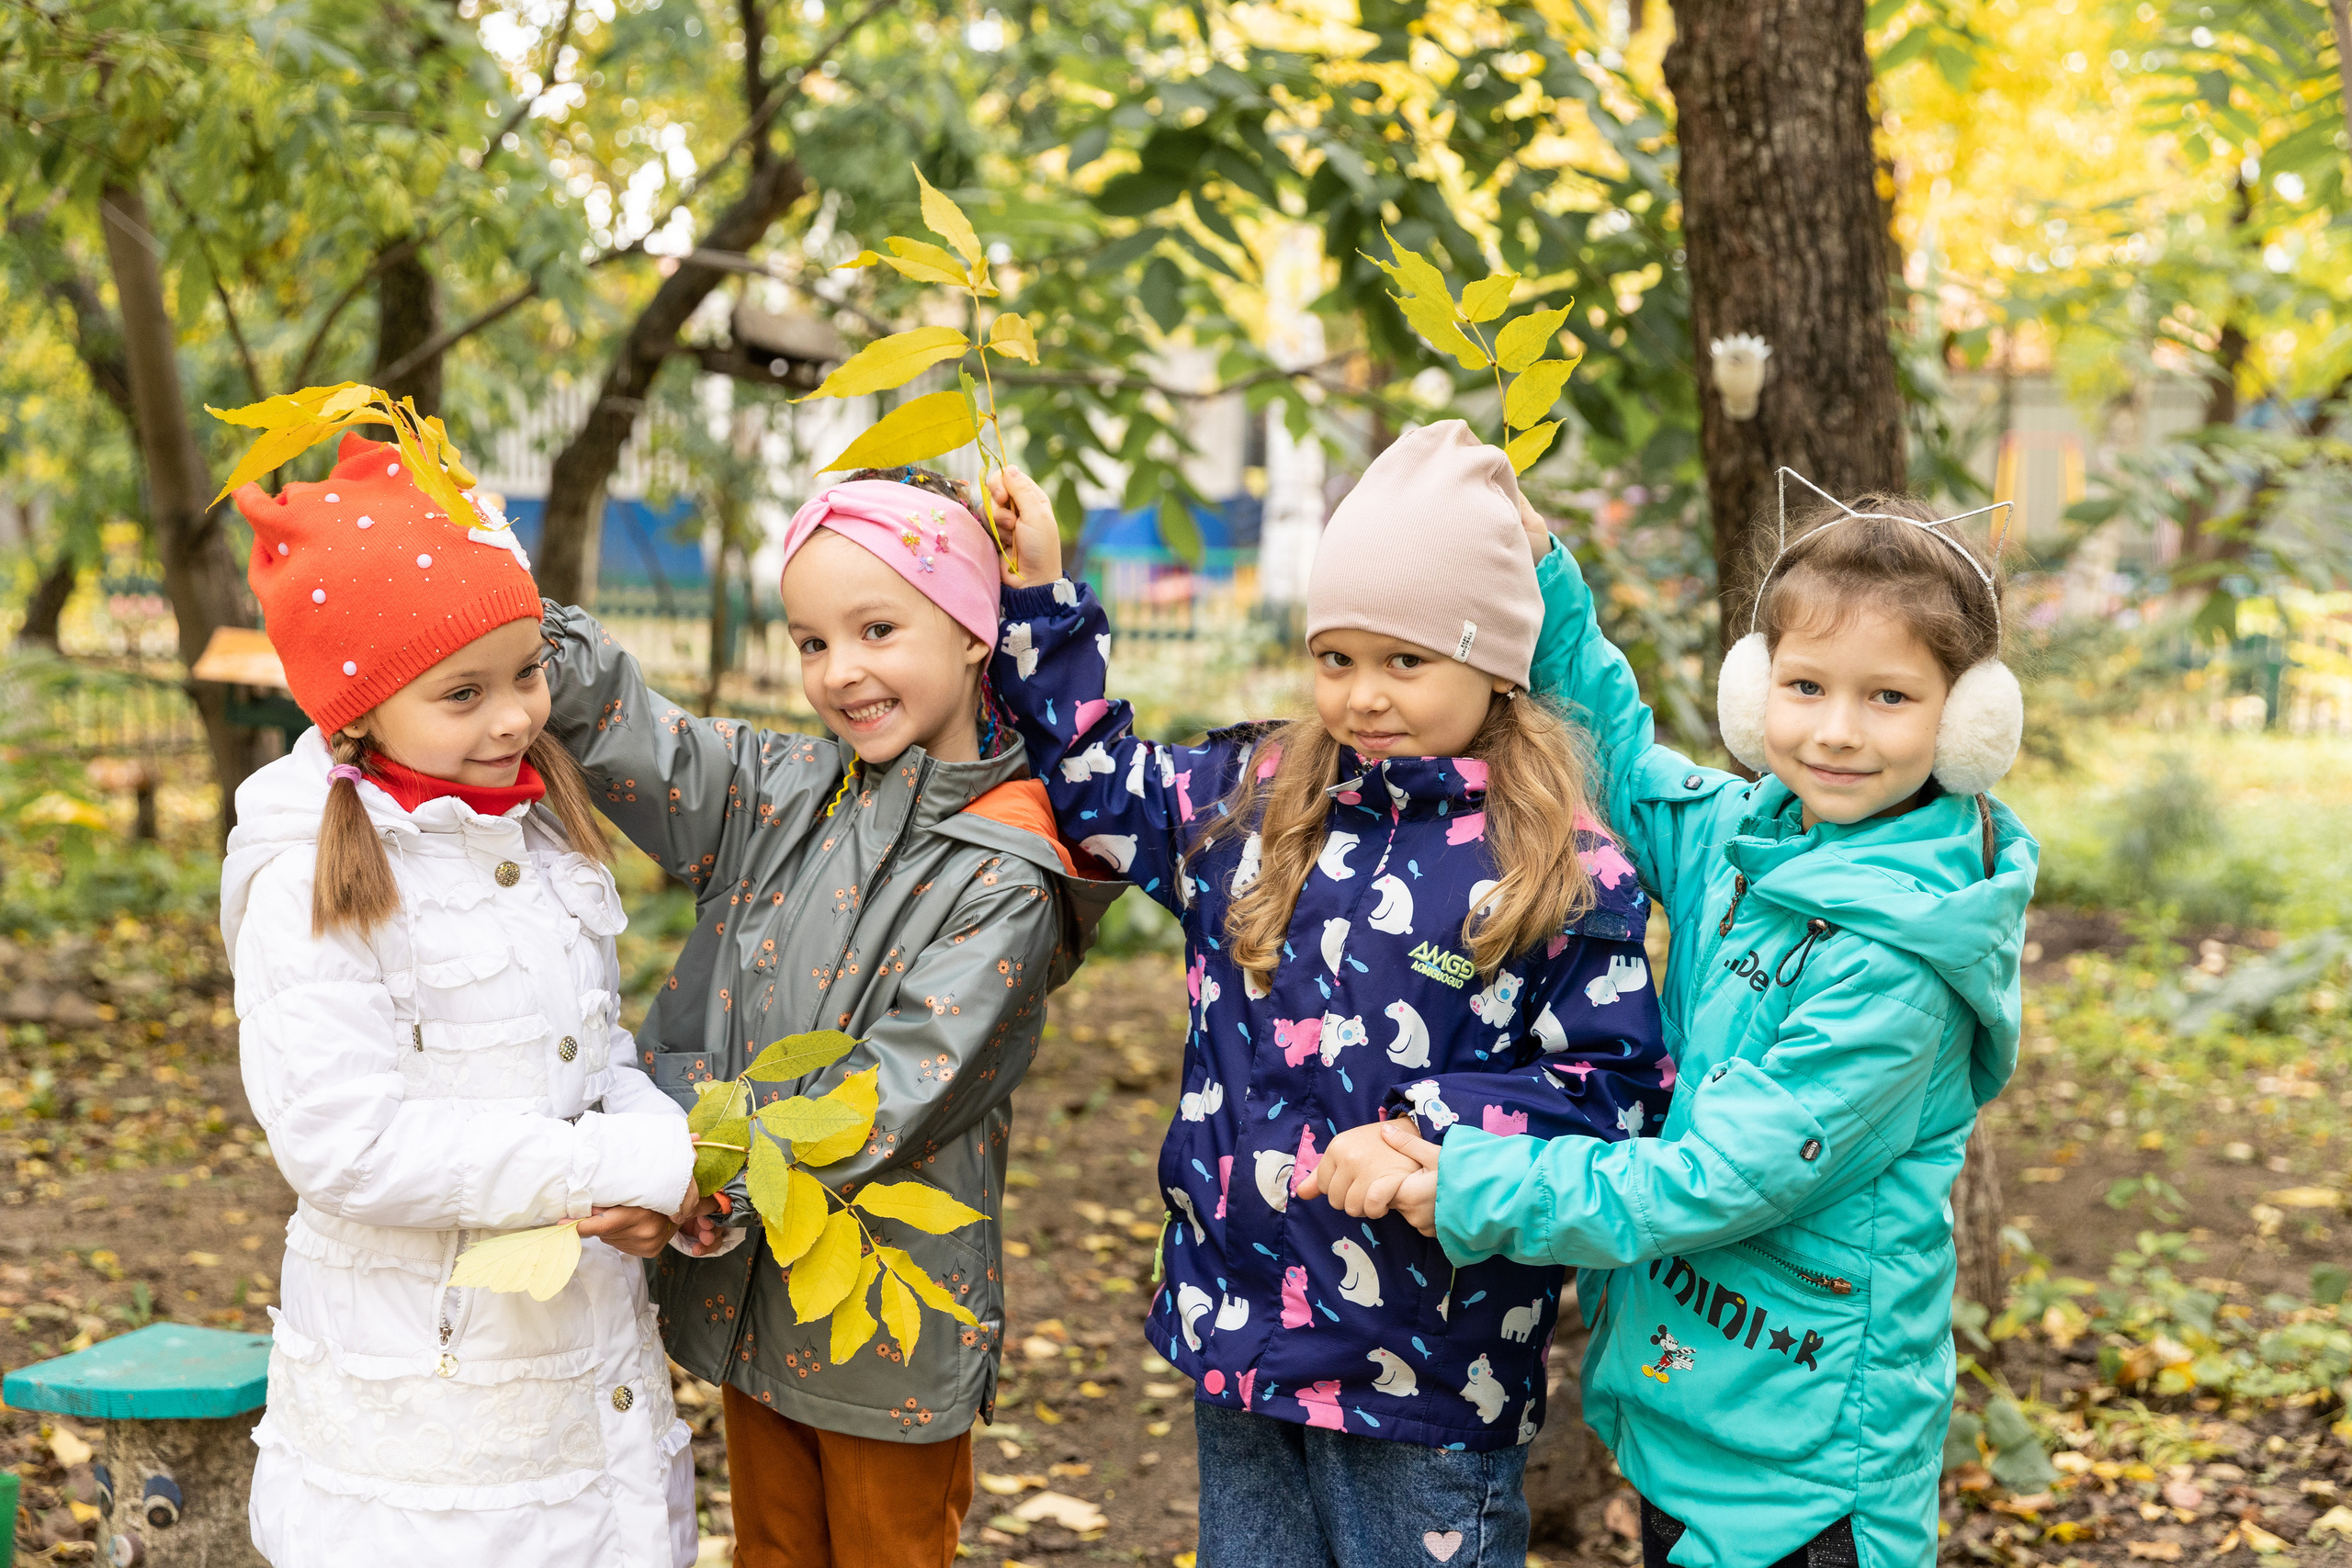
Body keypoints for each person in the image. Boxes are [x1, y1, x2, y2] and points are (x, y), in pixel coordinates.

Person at [984, 422, 1672, 1568]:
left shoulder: (1561, 863)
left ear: (1496, 663)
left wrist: (1428, 1129)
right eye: (1336, 658)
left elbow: (1616, 1089)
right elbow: (1100, 788)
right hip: (1242, 1339)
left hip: (1429, 1381)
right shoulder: (1253, 798)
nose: (1363, 696)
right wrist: (1041, 594)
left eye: (1406, 661)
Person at [1329, 478, 2040, 1568]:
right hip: (1699, 1406)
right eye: (1805, 686)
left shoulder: (1900, 967)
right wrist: (1540, 566)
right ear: (1755, 688)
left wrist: (1472, 1184)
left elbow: (1717, 1178)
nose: (1836, 731)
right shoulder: (1746, 838)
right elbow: (1614, 755)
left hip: (1807, 1472)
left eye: (1889, 697)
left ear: (1968, 719)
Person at [535, 467, 1114, 1568]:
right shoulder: (782, 791)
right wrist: (510, 620)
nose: (840, 671)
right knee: (770, 1549)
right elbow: (633, 737)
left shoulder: (1008, 873)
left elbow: (894, 1091)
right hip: (751, 1292)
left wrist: (706, 1180)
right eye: (811, 641)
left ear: (973, 631)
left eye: (877, 629)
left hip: (885, 1331)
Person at [220, 433, 701, 1567]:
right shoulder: (310, 875)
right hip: (426, 1438)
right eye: (462, 694)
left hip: (578, 1385)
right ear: (360, 708)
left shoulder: (532, 827)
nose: (514, 718)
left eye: (526, 674)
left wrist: (660, 1159)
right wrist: (606, 1169)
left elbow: (590, 1054)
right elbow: (346, 1143)